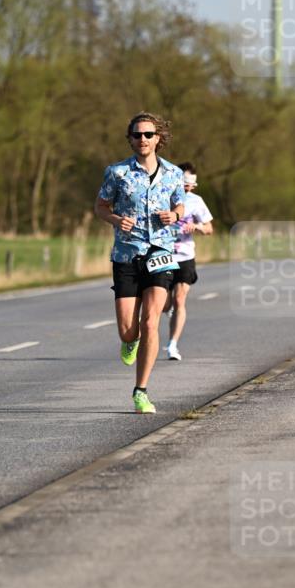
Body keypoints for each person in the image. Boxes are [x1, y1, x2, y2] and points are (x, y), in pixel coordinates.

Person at [95, 112, 185, 414]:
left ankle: (141, 391)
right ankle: (129, 341)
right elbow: (101, 206)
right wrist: (116, 219)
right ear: (130, 139)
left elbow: (180, 204)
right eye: (137, 135)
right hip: (126, 255)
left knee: (151, 322)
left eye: (148, 134)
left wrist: (175, 216)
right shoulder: (117, 173)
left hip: (160, 251)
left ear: (158, 138)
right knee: (128, 330)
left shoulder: (173, 173)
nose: (143, 139)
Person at [164, 162, 214, 361]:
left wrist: (197, 227)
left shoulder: (196, 201)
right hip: (163, 256)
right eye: (185, 183)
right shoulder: (162, 196)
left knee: (179, 300)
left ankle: (172, 345)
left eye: (192, 184)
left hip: (185, 256)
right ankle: (168, 311)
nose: (188, 187)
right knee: (164, 305)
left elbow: (209, 228)